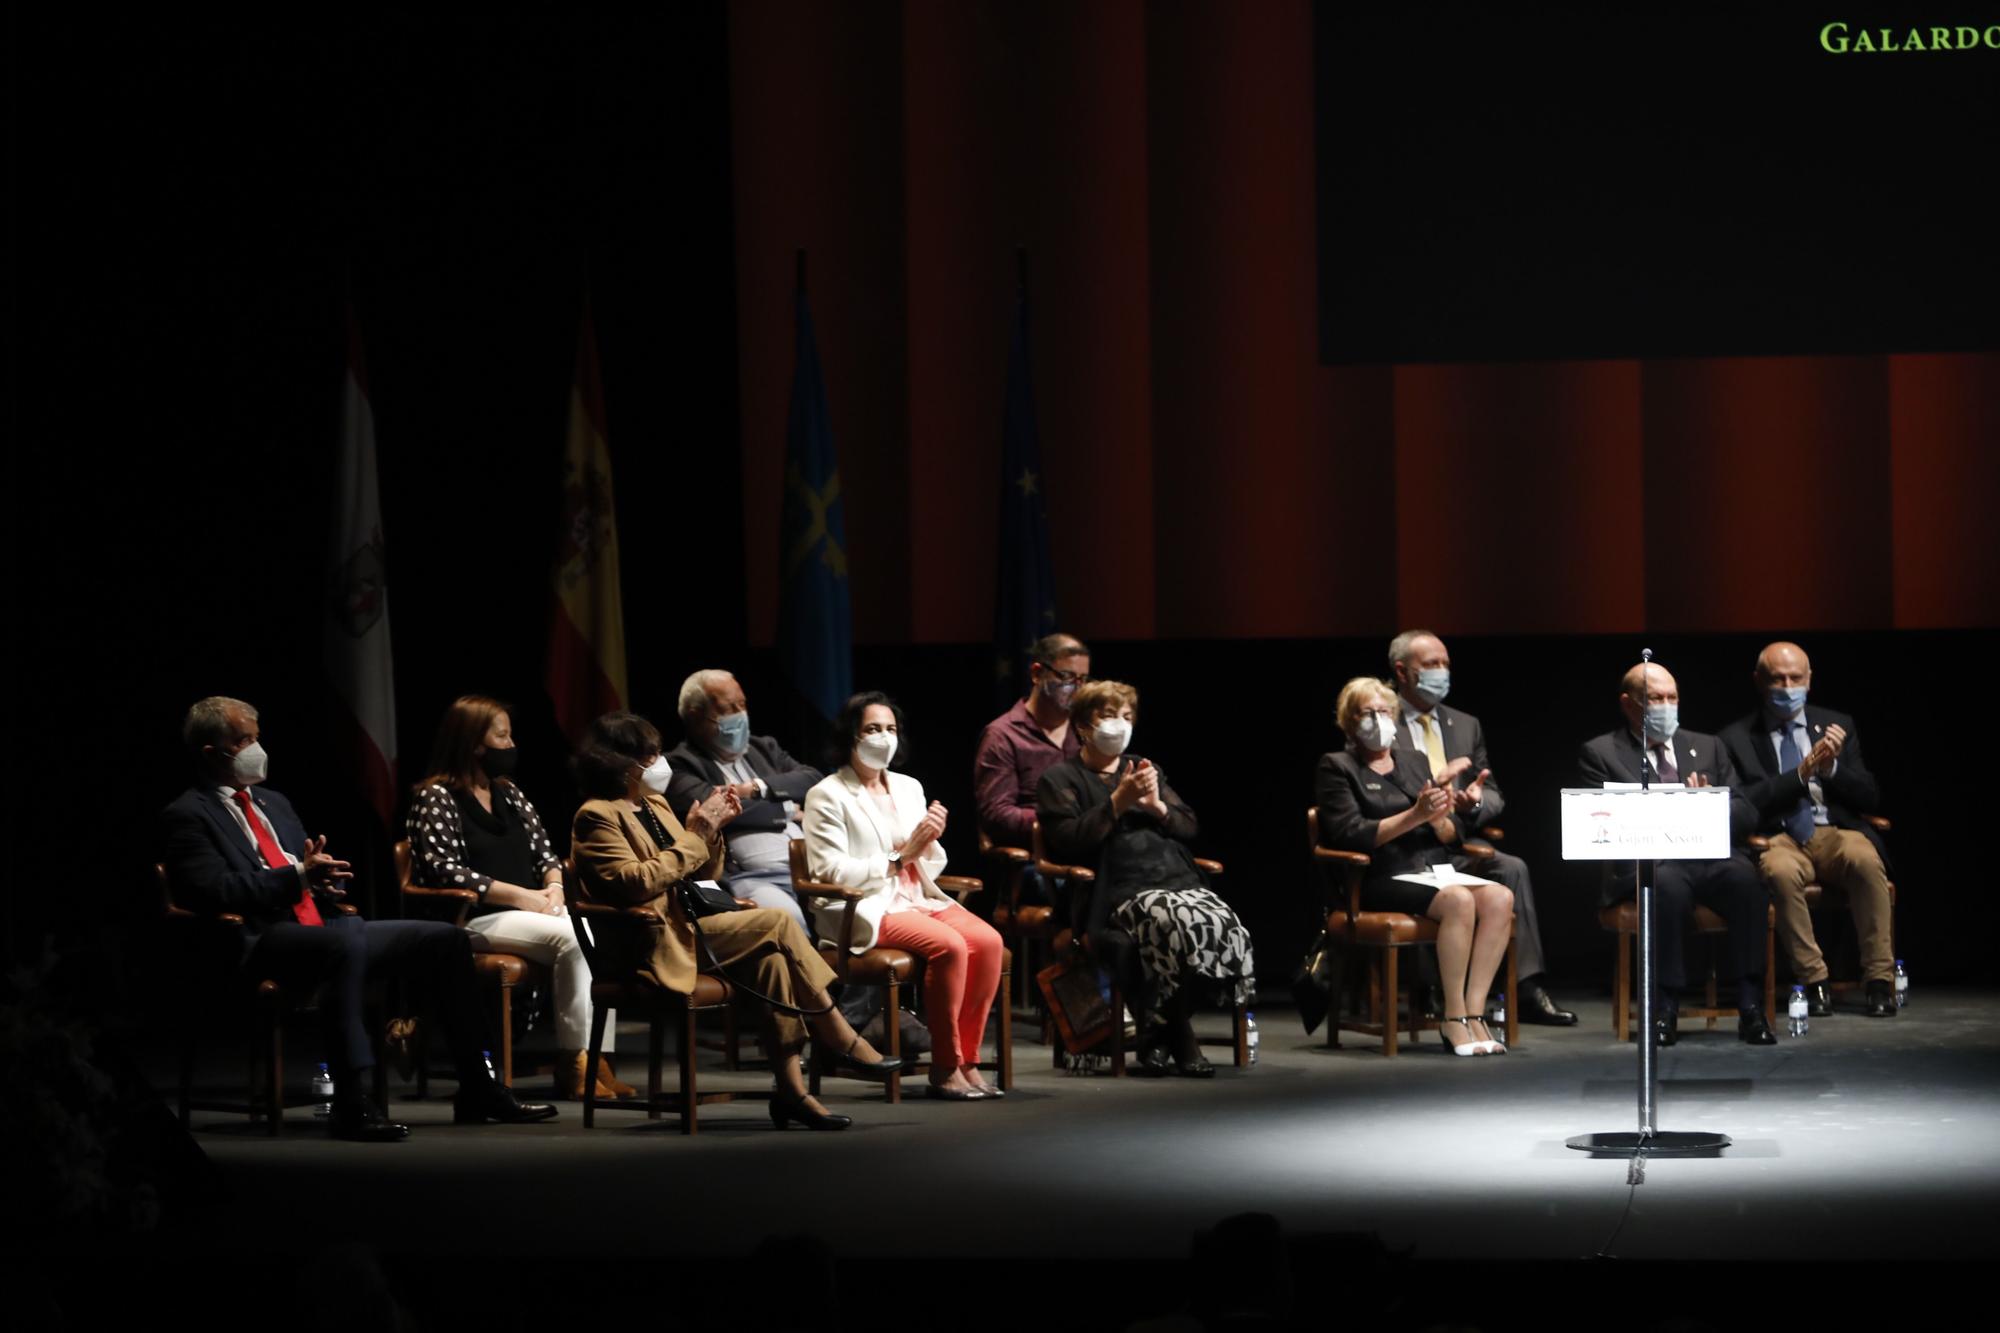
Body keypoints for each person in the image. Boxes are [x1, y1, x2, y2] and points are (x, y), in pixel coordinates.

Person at [159, 696, 559, 1140]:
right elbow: (216, 890)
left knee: (445, 939)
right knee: (344, 941)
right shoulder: (189, 815)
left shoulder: (274, 803)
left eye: (257, 737)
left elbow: (305, 873)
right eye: (243, 740)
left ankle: (480, 1087)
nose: (256, 748)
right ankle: (351, 1099)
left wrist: (324, 882)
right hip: (257, 940)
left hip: (320, 926)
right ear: (211, 753)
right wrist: (296, 878)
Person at [568, 711, 901, 1130]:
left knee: (773, 963)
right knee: (777, 922)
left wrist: (709, 832)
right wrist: (694, 837)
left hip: (687, 926)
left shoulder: (652, 804)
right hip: (648, 942)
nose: (659, 762)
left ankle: (792, 1092)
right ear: (618, 761)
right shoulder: (597, 816)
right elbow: (638, 882)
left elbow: (701, 874)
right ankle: (836, 1032)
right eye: (649, 756)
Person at [406, 694, 634, 1100]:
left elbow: (545, 852)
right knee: (574, 940)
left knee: (599, 934)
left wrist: (554, 888)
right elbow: (444, 869)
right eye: (502, 736)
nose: (511, 745)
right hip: (468, 919)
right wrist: (521, 897)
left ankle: (599, 1058)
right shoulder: (435, 797)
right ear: (474, 743)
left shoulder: (508, 792)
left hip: (531, 911)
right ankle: (574, 1062)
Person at [1038, 679, 1255, 1076]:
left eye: (1126, 716)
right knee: (1173, 924)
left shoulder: (1141, 766)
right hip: (1111, 889)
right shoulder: (1060, 779)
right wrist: (1117, 803)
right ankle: (1182, 1038)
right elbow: (1069, 841)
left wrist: (1156, 806)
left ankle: (1158, 1033)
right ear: (1083, 727)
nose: (1119, 725)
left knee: (1222, 924)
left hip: (1174, 877)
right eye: (1108, 716)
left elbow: (1189, 827)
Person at [803, 692, 1006, 1101]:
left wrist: (929, 842)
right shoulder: (827, 794)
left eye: (890, 729)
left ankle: (967, 1060)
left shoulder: (908, 786)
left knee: (988, 942)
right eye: (873, 729)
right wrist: (899, 857)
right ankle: (944, 1066)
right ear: (851, 737)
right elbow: (830, 872)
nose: (884, 738)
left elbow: (927, 865)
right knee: (949, 946)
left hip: (916, 897)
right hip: (865, 905)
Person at [1578, 662, 1777, 1045]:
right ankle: (1664, 1008)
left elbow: (1747, 812)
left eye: (1672, 698)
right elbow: (1597, 820)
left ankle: (1751, 1008)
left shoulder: (1707, 746)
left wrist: (1707, 805)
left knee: (1748, 882)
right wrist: (1670, 807)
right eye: (1655, 698)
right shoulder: (1601, 753)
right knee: (1663, 888)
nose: (1666, 706)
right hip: (1653, 863)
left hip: (1711, 858)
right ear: (1628, 704)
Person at [1387, 629, 1576, 1025]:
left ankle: (1526, 987)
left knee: (1512, 868)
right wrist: (1431, 805)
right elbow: (1378, 792)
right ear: (1402, 672)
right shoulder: (1381, 722)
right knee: (1443, 890)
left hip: (1457, 841)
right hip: (1407, 846)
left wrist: (1470, 806)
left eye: (1446, 664)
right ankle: (1436, 992)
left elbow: (1492, 793)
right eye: (1431, 665)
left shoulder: (1464, 725)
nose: (1442, 672)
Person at [1316, 677, 1512, 1056]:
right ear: (1348, 721)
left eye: (1384, 711)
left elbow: (1447, 834)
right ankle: (1452, 1017)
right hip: (1379, 877)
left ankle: (1474, 1013)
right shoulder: (1337, 766)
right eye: (1367, 713)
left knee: (1500, 897)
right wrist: (1415, 815)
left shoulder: (1413, 760)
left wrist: (1446, 813)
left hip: (1431, 870)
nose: (1378, 719)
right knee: (1458, 901)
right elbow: (1350, 834)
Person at [1720, 641, 1895, 1018]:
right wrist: (1800, 775)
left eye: (1795, 677)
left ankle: (1879, 979)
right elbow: (1746, 802)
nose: (1787, 686)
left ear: (1809, 679)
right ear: (1758, 681)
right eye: (1777, 678)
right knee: (1779, 872)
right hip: (1777, 836)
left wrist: (1831, 768)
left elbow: (1870, 796)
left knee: (1866, 858)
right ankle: (1814, 981)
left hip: (1832, 831)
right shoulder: (1735, 738)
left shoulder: (1837, 725)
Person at [664, 669, 823, 930]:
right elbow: (716, 809)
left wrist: (755, 788)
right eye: (729, 708)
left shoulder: (764, 748)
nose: (740, 714)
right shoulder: (679, 765)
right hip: (750, 877)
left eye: (743, 704)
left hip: (810, 869)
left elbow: (813, 779)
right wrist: (786, 809)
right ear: (695, 716)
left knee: (852, 911)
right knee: (790, 923)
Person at [974, 632, 1090, 859]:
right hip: (1038, 854)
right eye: (1067, 676)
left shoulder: (1086, 730)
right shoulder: (1002, 735)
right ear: (1037, 674)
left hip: (1090, 844)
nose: (1078, 688)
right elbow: (996, 814)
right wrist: (1061, 822)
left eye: (1083, 679)